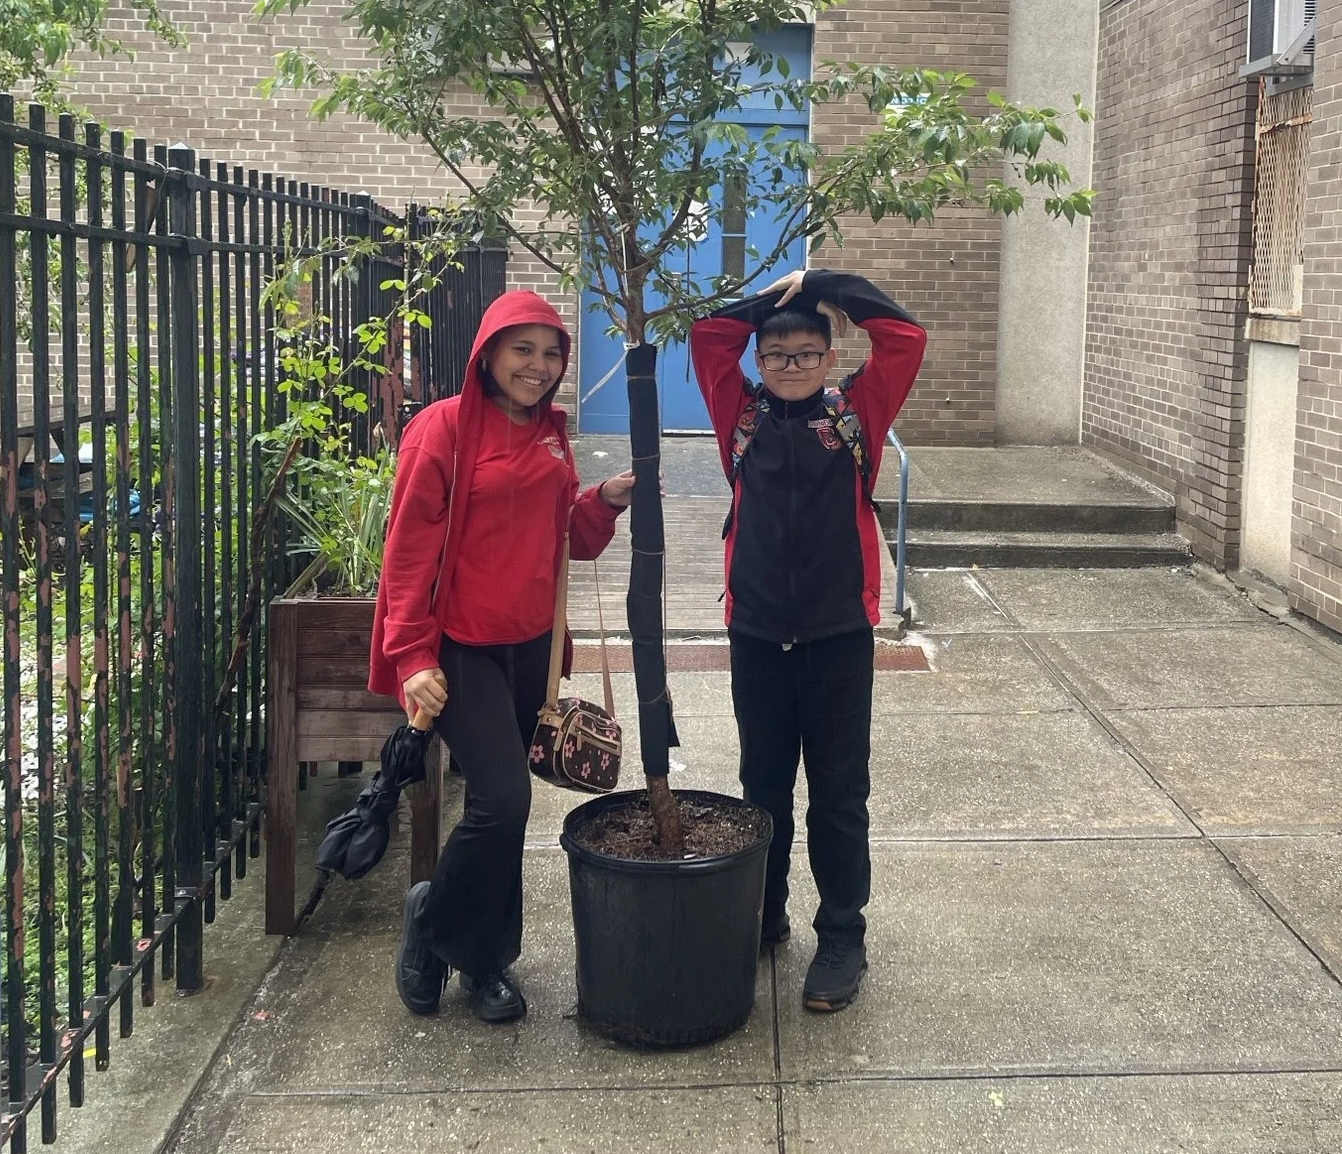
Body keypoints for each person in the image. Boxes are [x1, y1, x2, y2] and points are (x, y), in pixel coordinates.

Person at [368, 291, 634, 1022]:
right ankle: (430, 921)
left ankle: (485, 963)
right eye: (524, 350)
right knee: (502, 800)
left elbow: (562, 536)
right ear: (487, 352)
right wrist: (411, 653)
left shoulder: (551, 434)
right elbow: (408, 552)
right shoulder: (441, 430)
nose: (539, 368)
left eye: (552, 354)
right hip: (459, 649)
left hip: (530, 650)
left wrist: (604, 500)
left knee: (505, 813)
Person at [690, 268, 926, 1012]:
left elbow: (905, 336)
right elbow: (708, 334)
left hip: (836, 636)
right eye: (776, 355)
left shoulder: (857, 412)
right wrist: (775, 302)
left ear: (830, 358)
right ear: (760, 363)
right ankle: (765, 912)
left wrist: (824, 284)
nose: (790, 367)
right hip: (757, 631)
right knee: (761, 786)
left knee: (838, 793)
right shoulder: (740, 410)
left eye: (805, 354)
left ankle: (842, 933)